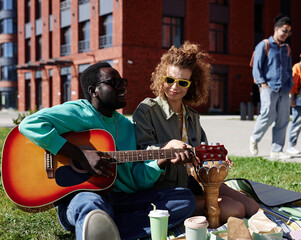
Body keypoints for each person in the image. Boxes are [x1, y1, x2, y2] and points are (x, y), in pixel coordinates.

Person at [18, 62, 198, 240]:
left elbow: (136, 180)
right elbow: (29, 124)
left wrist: (162, 160)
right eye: (114, 83)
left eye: (123, 82)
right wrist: (80, 155)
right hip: (82, 197)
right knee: (92, 204)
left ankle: (102, 229)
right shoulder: (80, 112)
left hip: (119, 199)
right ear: (93, 91)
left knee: (183, 198)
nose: (122, 87)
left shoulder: (127, 127)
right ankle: (98, 224)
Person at [133, 41, 260, 225]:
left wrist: (216, 160)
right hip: (164, 190)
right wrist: (167, 148)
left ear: (191, 85)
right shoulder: (147, 111)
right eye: (170, 80)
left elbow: (202, 153)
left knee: (250, 205)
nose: (174, 87)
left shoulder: (192, 117)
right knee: (236, 209)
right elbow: (142, 152)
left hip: (193, 182)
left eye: (182, 82)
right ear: (162, 78)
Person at [249, 14, 294, 160]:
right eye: (284, 31)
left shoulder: (287, 48)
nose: (286, 35)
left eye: (289, 32)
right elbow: (256, 67)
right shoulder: (264, 45)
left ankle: (276, 150)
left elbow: (288, 69)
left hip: (284, 88)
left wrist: (290, 86)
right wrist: (262, 84)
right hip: (268, 86)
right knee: (267, 115)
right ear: (276, 29)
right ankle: (255, 139)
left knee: (283, 119)